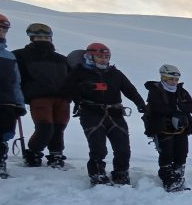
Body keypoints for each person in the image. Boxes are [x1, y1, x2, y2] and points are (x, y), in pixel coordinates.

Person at [61, 42, 146, 186]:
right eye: (100, 57)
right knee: (98, 148)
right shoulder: (79, 72)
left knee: (123, 148)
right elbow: (65, 91)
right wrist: (83, 88)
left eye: (107, 57)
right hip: (91, 113)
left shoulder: (115, 73)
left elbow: (130, 90)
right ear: (90, 56)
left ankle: (121, 173)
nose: (104, 60)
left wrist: (141, 104)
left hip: (115, 113)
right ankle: (97, 174)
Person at [12, 23, 72, 169]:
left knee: (59, 128)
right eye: (39, 37)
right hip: (39, 97)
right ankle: (33, 152)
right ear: (31, 38)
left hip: (62, 97)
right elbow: (14, 78)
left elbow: (72, 79)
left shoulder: (61, 59)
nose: (43, 40)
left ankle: (56, 154)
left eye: (46, 37)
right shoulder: (20, 55)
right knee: (45, 127)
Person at [143, 64, 192, 192]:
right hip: (162, 127)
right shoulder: (155, 90)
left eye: (176, 79)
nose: (174, 82)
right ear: (163, 78)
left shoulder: (181, 91)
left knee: (182, 152)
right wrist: (177, 109)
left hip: (180, 128)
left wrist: (178, 109)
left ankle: (178, 178)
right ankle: (168, 179)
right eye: (171, 79)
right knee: (166, 153)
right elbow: (156, 107)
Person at [0, 12, 26, 179]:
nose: (1, 33)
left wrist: (19, 103)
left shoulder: (9, 56)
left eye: (4, 30)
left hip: (5, 102)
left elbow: (15, 82)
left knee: (2, 134)